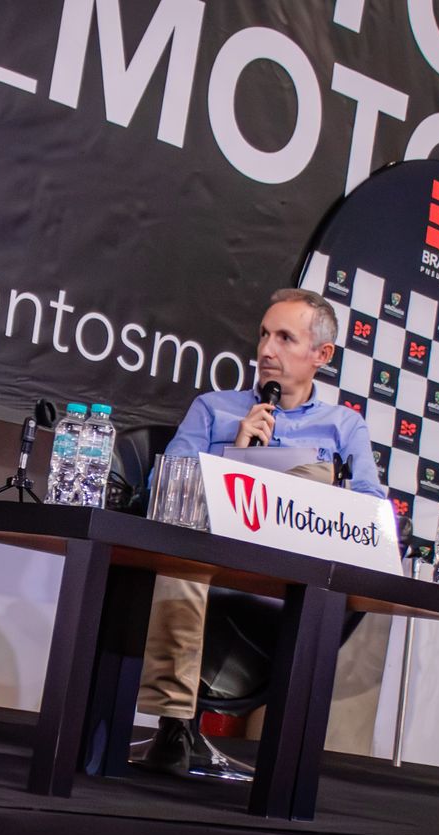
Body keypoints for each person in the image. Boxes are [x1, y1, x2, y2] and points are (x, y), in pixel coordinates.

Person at [136, 288, 385, 772]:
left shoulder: (344, 426)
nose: (267, 350)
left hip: (289, 575)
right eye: (264, 335)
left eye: (285, 338)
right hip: (213, 562)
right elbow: (162, 489)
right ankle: (175, 725)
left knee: (320, 497)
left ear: (321, 355)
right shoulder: (214, 409)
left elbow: (369, 509)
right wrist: (235, 454)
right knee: (181, 568)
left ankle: (292, 758)